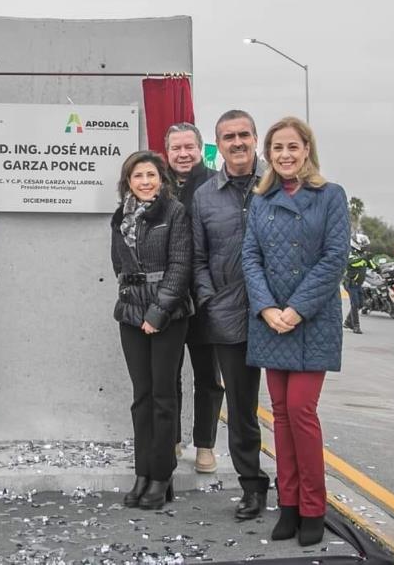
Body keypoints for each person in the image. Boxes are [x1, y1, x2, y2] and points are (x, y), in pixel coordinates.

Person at [242, 116, 349, 545]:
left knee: (302, 412)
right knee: (281, 415)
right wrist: (267, 307)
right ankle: (287, 505)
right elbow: (250, 257)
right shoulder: (261, 199)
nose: (285, 155)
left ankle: (312, 508)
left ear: (307, 149)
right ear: (268, 154)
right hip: (271, 322)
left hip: (312, 321)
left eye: (293, 146)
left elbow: (334, 258)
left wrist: (296, 310)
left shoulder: (331, 196)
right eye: (277, 148)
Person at [192, 109, 270, 519]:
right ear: (218, 143)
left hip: (276, 315)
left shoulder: (277, 184)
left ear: (255, 138)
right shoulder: (205, 195)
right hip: (227, 315)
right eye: (228, 137)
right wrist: (210, 299)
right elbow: (198, 257)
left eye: (244, 135)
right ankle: (252, 486)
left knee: (292, 410)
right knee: (241, 409)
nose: (237, 142)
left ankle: (295, 487)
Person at [111, 150, 193, 511]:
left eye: (151, 175)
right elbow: (119, 264)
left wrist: (158, 312)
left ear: (162, 179)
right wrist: (135, 306)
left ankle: (162, 475)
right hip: (130, 312)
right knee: (141, 396)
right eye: (137, 176)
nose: (145, 182)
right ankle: (143, 472)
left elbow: (179, 266)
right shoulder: (121, 217)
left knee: (163, 397)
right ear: (128, 182)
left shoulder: (175, 213)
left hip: (169, 316)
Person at [164, 123, 224, 473]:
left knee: (207, 377)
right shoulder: (156, 183)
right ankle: (171, 441)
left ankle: (205, 445)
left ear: (201, 148)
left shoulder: (217, 184)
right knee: (168, 377)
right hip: (168, 298)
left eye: (189, 146)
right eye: (176, 148)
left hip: (205, 297)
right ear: (167, 151)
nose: (183, 154)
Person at [343, 233, 375, 334]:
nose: (365, 247)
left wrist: (378, 268)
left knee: (361, 304)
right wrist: (365, 258)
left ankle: (348, 322)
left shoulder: (362, 254)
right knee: (355, 304)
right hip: (350, 283)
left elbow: (370, 264)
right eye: (363, 245)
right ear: (356, 244)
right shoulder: (351, 253)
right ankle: (356, 326)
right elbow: (351, 263)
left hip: (358, 285)